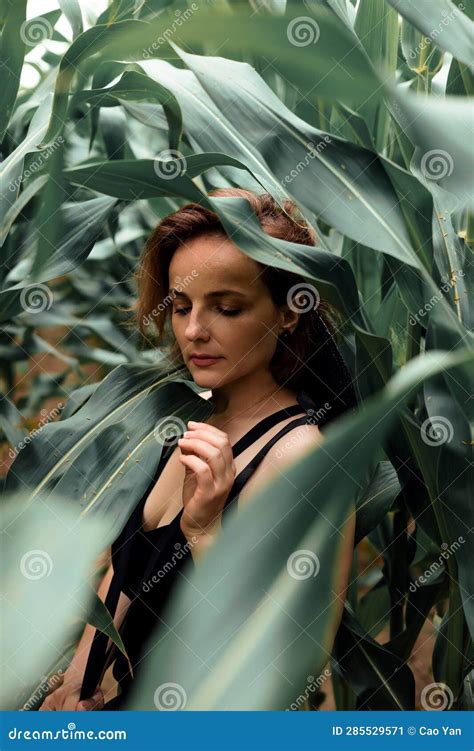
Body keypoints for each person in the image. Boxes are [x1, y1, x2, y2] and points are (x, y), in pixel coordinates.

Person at [39, 188, 357, 711]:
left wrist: (205, 534)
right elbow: (126, 569)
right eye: (181, 306)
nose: (192, 331)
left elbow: (292, 672)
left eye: (226, 308)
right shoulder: (174, 417)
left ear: (289, 313)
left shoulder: (301, 457)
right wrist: (79, 678)